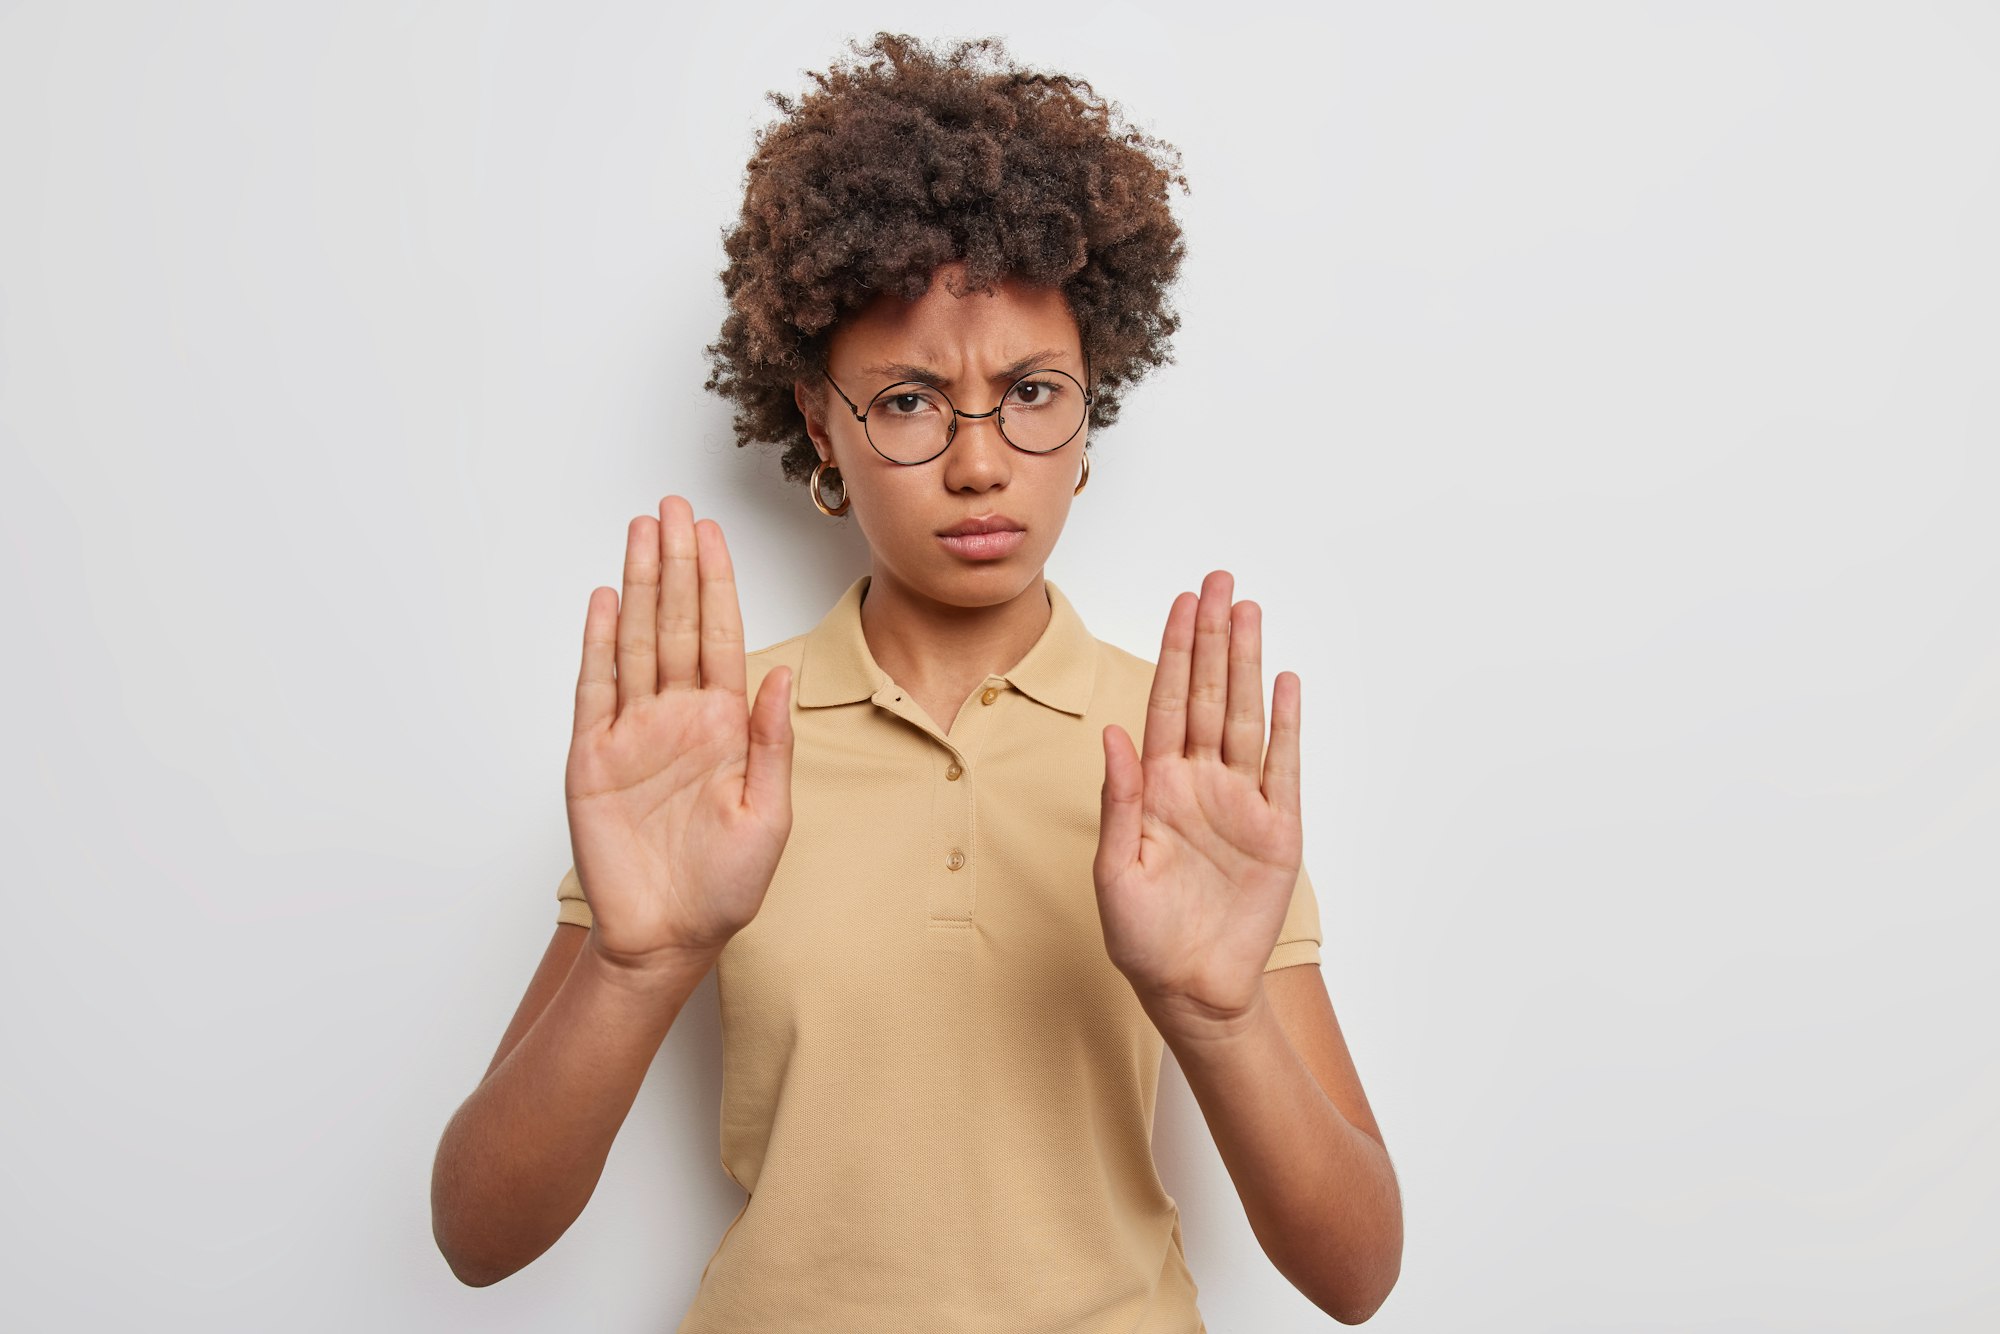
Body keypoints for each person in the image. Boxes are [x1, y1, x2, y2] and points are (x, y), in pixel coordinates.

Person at [431, 33, 1403, 1330]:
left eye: (1032, 392)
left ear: (1089, 406)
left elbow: (1358, 1273)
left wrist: (1212, 1009)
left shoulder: (1180, 761)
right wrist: (636, 959)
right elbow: (477, 1235)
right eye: (907, 402)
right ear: (820, 422)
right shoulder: (700, 745)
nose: (980, 461)